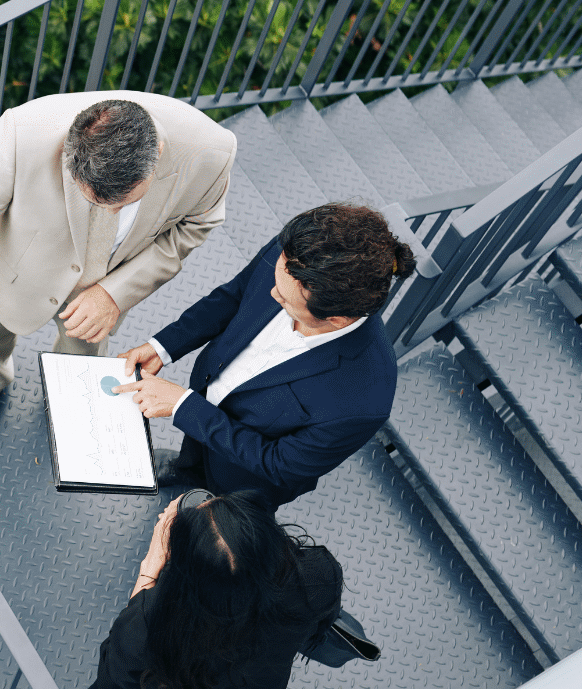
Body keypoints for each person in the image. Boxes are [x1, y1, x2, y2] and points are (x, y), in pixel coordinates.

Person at [0, 92, 236, 445]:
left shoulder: (213, 152)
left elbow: (197, 225)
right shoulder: (18, 135)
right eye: (97, 201)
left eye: (124, 203)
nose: (111, 214)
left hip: (106, 288)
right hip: (15, 270)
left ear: (159, 152)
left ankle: (67, 402)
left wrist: (115, 293)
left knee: (82, 357)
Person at [115, 203, 416, 506]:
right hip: (206, 394)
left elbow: (278, 464)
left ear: (336, 319)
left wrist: (183, 406)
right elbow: (236, 295)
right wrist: (163, 347)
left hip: (242, 479)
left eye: (284, 299)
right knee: (193, 455)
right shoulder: (297, 253)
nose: (273, 294)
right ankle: (187, 469)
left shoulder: (363, 402)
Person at [74, 489, 343, 689]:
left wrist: (152, 562)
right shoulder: (320, 575)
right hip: (248, 681)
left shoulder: (149, 623)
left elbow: (114, 671)